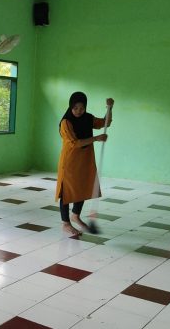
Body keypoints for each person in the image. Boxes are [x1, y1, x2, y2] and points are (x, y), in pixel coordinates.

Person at [55, 92, 114, 235]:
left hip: (85, 160)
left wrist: (109, 108)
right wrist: (96, 138)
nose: (78, 111)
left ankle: (75, 216)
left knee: (82, 188)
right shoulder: (66, 122)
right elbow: (74, 143)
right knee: (67, 191)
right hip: (70, 161)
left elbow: (105, 122)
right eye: (75, 108)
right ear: (71, 107)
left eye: (81, 108)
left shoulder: (88, 118)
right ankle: (65, 223)